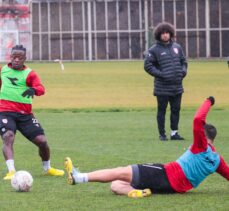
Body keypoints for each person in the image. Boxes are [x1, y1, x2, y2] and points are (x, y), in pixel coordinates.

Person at [64, 97, 229, 198]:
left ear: (203, 135)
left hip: (165, 174)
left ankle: (79, 177)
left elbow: (197, 118)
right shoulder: (216, 160)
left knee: (120, 171)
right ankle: (136, 193)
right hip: (172, 188)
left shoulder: (201, 145)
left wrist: (209, 100)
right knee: (116, 184)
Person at [0, 45, 64, 180]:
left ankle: (47, 168)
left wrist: (34, 90)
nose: (16, 60)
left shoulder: (30, 73)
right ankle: (11, 171)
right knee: (8, 136)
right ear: (10, 57)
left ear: (25, 59)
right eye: (14, 57)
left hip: (25, 114)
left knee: (42, 141)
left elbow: (41, 88)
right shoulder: (3, 70)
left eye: (20, 57)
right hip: (5, 112)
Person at [144, 22, 188, 141]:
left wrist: (183, 72)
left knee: (176, 109)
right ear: (158, 35)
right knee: (162, 110)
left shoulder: (177, 47)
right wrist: (161, 74)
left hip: (177, 86)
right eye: (163, 33)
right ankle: (162, 134)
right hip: (162, 87)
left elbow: (184, 62)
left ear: (170, 34)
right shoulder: (153, 50)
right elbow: (148, 66)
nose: (165, 35)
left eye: (167, 33)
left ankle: (174, 133)